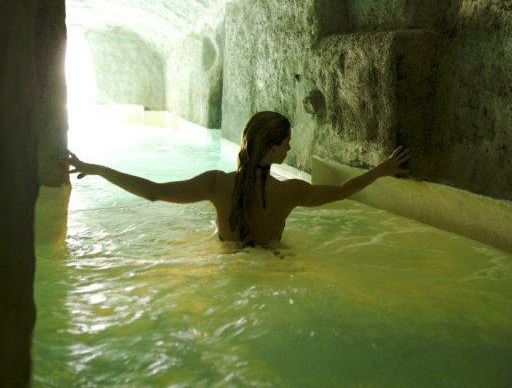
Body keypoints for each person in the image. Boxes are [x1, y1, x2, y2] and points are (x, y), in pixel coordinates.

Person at [60, 110, 410, 246]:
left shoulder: (216, 184)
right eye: (286, 145)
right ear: (272, 151)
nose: (289, 151)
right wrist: (380, 170)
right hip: (277, 272)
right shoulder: (290, 192)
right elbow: (342, 191)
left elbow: (153, 192)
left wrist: (96, 168)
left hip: (228, 275)